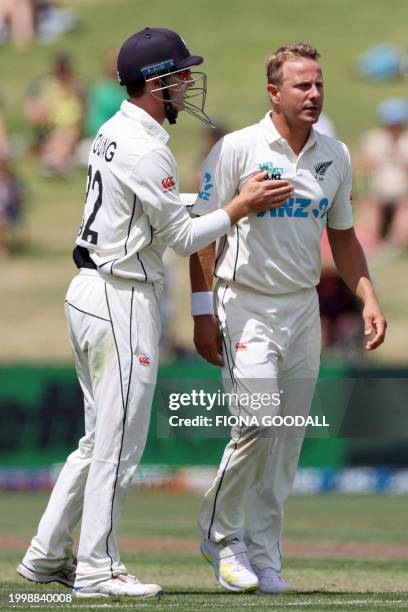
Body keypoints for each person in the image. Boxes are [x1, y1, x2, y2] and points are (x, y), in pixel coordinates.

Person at [17, 27, 293, 599]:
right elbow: (184, 237)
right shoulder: (148, 146)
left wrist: (212, 202)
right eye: (179, 75)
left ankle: (46, 557)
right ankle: (97, 567)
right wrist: (238, 207)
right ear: (155, 82)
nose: (188, 84)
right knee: (119, 445)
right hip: (121, 297)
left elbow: (162, 213)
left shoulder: (114, 128)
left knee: (96, 442)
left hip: (90, 290)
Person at [190, 43, 386, 594]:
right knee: (256, 423)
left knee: (287, 438)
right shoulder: (237, 148)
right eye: (302, 86)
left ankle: (264, 554)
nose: (315, 94)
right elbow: (199, 233)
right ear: (273, 92)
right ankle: (221, 537)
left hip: (302, 308)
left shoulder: (335, 154)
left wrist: (368, 296)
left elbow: (343, 237)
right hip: (242, 302)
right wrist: (202, 313)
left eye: (319, 84)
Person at [356, 97, 408, 250]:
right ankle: (371, 243)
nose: (394, 127)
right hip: (377, 191)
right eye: (391, 123)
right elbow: (362, 166)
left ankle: (395, 246)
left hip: (403, 193)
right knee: (370, 208)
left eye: (397, 123)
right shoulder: (374, 139)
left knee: (404, 211)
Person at [25, 53, 85, 176]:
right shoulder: (44, 85)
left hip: (72, 132)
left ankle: (55, 162)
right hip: (49, 131)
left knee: (66, 135)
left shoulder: (78, 87)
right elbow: (32, 115)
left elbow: (84, 114)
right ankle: (58, 162)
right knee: (59, 137)